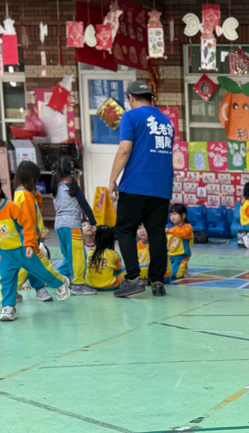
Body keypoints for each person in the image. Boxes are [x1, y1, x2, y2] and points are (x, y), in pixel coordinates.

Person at [0, 171, 70, 321]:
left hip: (24, 249)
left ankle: (61, 282)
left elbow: (26, 225)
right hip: (5, 253)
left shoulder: (11, 207)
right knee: (5, 279)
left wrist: (29, 244)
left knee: (41, 271)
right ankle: (8, 307)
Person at [109, 80, 175, 298]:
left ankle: (133, 279)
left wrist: (112, 179)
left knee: (125, 230)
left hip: (135, 185)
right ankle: (157, 282)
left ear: (130, 98)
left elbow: (124, 149)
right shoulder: (167, 121)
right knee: (156, 233)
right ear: (150, 97)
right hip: (162, 187)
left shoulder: (131, 117)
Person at [14, 161, 61, 302]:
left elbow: (36, 212)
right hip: (29, 238)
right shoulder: (24, 196)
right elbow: (28, 221)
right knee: (30, 265)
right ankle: (12, 289)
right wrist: (32, 238)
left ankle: (39, 288)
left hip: (31, 237)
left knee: (35, 265)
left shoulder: (22, 194)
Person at [52, 156, 97, 295]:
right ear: (74, 172)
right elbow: (85, 206)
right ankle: (78, 284)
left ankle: (53, 279)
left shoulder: (55, 188)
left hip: (59, 226)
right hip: (72, 226)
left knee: (68, 257)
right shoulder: (73, 188)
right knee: (78, 256)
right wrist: (93, 223)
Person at [85, 225, 124, 290]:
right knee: (126, 271)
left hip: (90, 285)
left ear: (95, 238)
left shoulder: (90, 252)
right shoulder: (114, 254)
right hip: (110, 286)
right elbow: (118, 268)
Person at [166, 204, 194, 281]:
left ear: (183, 216)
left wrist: (171, 230)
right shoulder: (172, 228)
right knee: (166, 273)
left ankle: (184, 268)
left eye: (175, 214)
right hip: (170, 255)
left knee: (175, 275)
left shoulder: (187, 227)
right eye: (170, 215)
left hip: (181, 255)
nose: (172, 217)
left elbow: (183, 233)